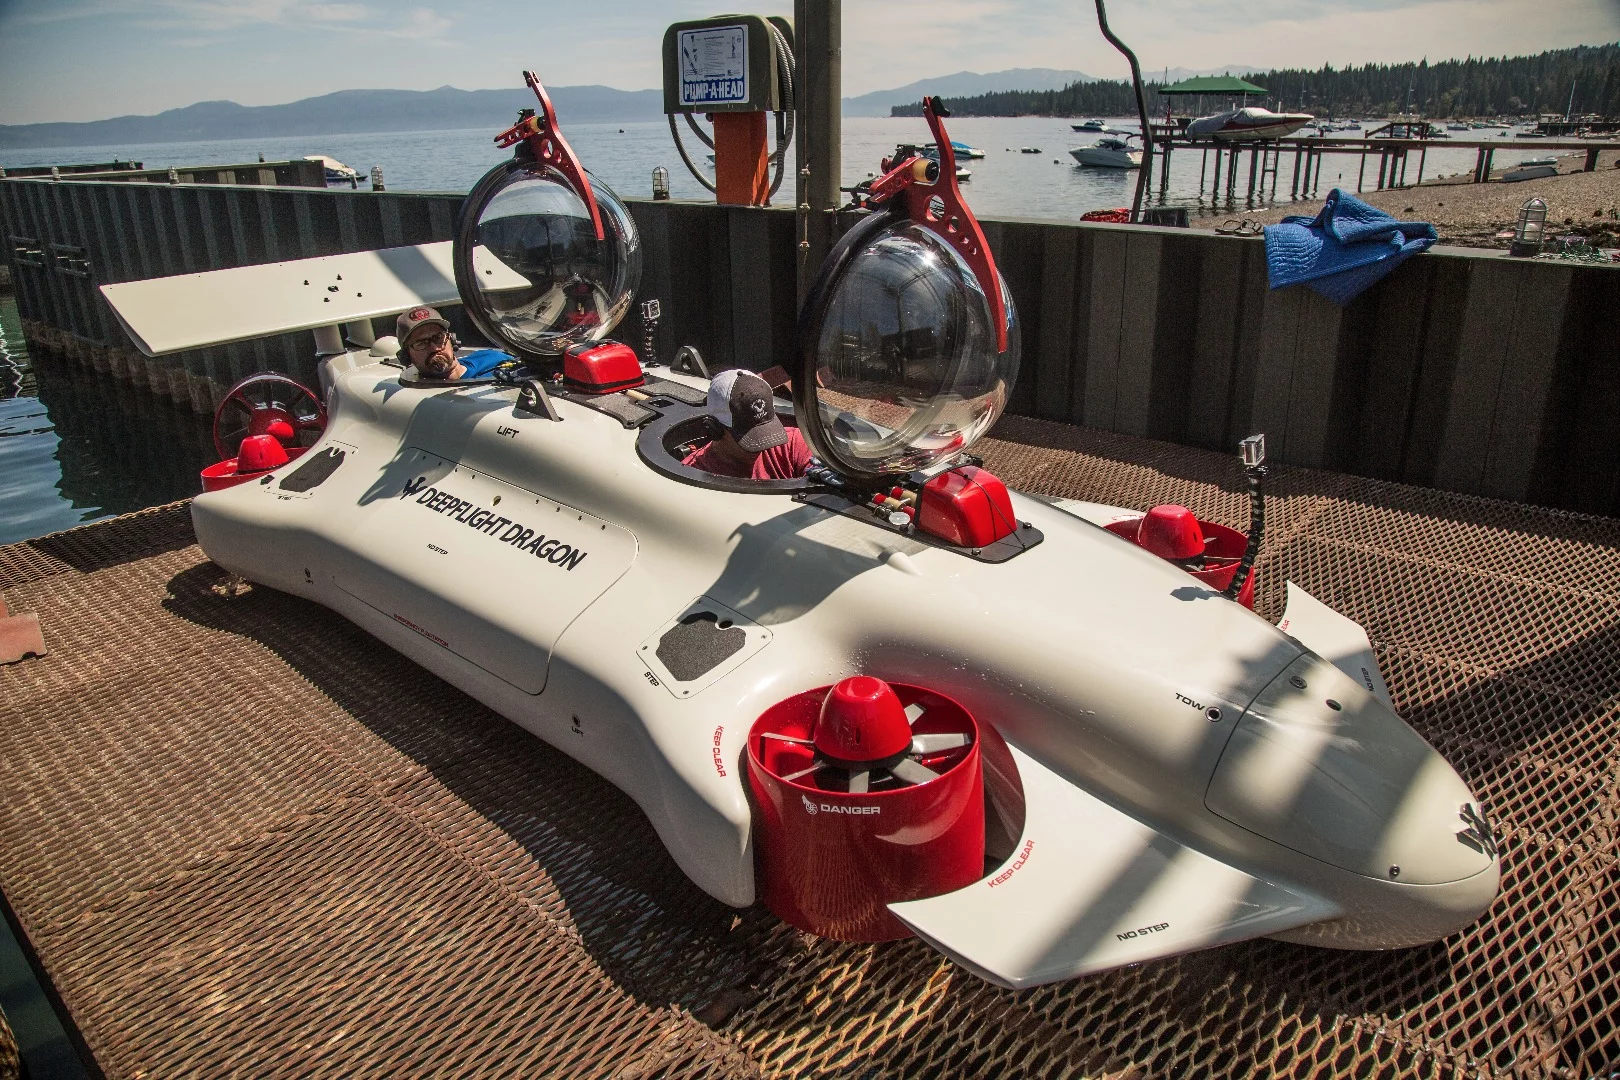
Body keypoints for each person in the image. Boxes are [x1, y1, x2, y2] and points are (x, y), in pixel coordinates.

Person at [683, 368, 812, 480]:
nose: (764, 445)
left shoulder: (792, 443)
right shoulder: (692, 475)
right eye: (751, 434)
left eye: (767, 428)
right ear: (714, 429)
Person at [396, 306, 510, 381]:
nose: (434, 347)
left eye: (438, 337)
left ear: (451, 339)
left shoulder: (492, 357)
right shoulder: (417, 398)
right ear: (406, 356)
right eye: (421, 343)